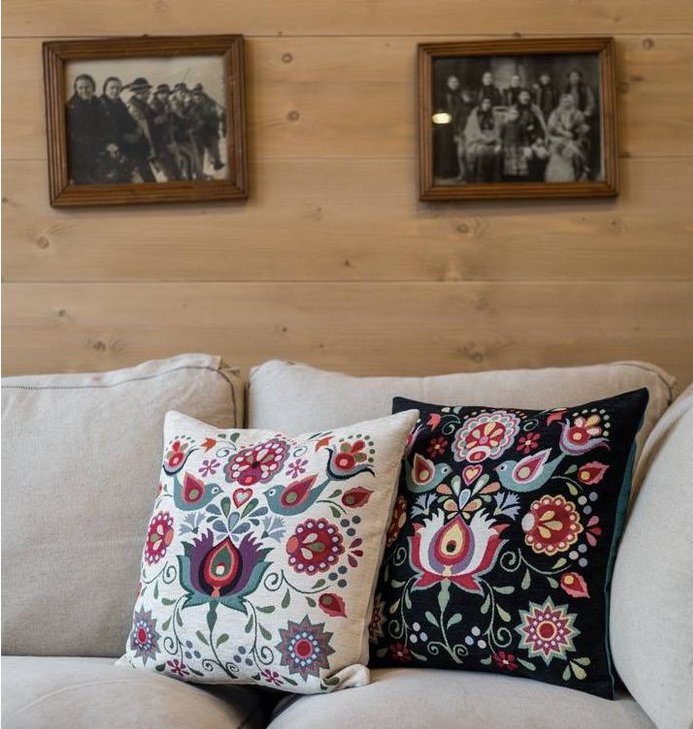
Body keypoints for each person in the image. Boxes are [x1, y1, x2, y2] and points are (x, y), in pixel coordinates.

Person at [98, 76, 151, 184]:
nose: (115, 91)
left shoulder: (120, 104)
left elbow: (128, 120)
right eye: (112, 88)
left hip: (128, 145)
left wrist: (136, 129)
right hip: (112, 147)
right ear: (105, 89)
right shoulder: (100, 106)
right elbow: (104, 129)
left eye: (118, 88)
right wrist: (123, 137)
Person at [545, 93, 590, 182]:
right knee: (557, 154)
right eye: (564, 101)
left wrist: (576, 133)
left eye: (568, 101)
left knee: (575, 153)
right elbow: (550, 128)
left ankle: (578, 175)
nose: (566, 103)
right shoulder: (555, 113)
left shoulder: (578, 114)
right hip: (557, 139)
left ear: (572, 102)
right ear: (560, 102)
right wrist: (562, 132)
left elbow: (582, 129)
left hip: (574, 140)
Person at [66, 74, 102, 184]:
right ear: (76, 89)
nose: (84, 91)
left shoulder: (96, 102)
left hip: (96, 145)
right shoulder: (72, 107)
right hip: (80, 151)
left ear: (93, 87)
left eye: (87, 87)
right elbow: (75, 134)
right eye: (80, 88)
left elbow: (101, 125)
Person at [564, 68, 599, 178]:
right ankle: (573, 168)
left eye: (576, 76)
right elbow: (562, 103)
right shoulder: (565, 89)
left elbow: (591, 102)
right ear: (569, 78)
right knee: (570, 142)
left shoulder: (585, 88)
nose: (574, 78)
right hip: (569, 119)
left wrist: (585, 113)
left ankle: (585, 166)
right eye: (572, 76)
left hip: (583, 118)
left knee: (583, 143)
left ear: (579, 77)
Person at [125, 77, 156, 182]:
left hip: (144, 147)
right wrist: (151, 149)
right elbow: (144, 129)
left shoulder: (144, 105)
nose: (148, 95)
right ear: (138, 93)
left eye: (148, 92)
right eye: (146, 92)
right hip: (139, 149)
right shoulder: (134, 108)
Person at [189, 83, 226, 174]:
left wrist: (219, 118)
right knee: (199, 151)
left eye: (199, 93)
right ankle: (199, 170)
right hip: (197, 131)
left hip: (210, 129)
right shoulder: (190, 104)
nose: (197, 95)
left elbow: (221, 111)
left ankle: (215, 163)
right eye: (195, 93)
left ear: (202, 92)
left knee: (213, 146)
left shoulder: (210, 102)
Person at [148, 84, 182, 181]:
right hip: (159, 146)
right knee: (169, 174)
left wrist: (173, 112)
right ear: (157, 94)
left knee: (177, 171)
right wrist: (166, 114)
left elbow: (174, 123)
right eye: (162, 93)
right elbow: (152, 125)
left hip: (169, 142)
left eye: (167, 93)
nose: (165, 95)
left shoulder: (167, 105)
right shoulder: (153, 107)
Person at [464, 97, 501, 182]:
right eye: (484, 103)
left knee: (496, 152)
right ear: (480, 104)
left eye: (488, 103)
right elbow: (471, 131)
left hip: (493, 140)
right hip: (477, 141)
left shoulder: (495, 115)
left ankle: (492, 180)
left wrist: (493, 139)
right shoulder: (474, 116)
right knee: (480, 153)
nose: (487, 105)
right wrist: (483, 139)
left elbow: (498, 130)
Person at [516, 89, 548, 181]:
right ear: (518, 97)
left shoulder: (535, 109)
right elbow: (511, 127)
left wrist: (539, 138)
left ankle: (538, 182)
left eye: (527, 95)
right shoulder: (514, 109)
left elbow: (540, 126)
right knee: (528, 155)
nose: (525, 97)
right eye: (523, 95)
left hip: (534, 139)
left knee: (543, 155)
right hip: (520, 140)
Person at [499, 106, 529, 181]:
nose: (514, 115)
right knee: (508, 165)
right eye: (512, 113)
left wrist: (526, 147)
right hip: (508, 147)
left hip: (519, 147)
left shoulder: (521, 125)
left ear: (518, 115)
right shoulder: (505, 125)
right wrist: (500, 145)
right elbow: (501, 136)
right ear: (508, 114)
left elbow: (524, 137)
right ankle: (509, 179)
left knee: (519, 166)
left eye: (516, 114)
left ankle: (518, 179)